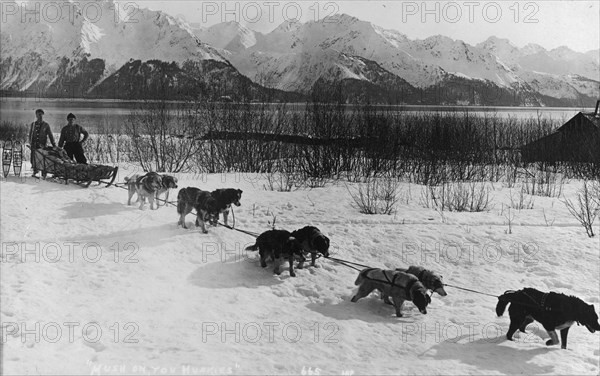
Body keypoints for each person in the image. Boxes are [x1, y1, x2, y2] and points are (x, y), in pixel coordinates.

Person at [28, 109, 56, 176]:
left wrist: (54, 144)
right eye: (39, 115)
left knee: (43, 159)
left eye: (41, 115)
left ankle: (44, 172)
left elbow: (50, 135)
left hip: (43, 145)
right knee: (33, 158)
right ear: (36, 115)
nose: (40, 116)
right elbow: (30, 134)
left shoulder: (46, 125)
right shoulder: (33, 124)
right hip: (34, 145)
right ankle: (35, 170)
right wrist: (30, 143)